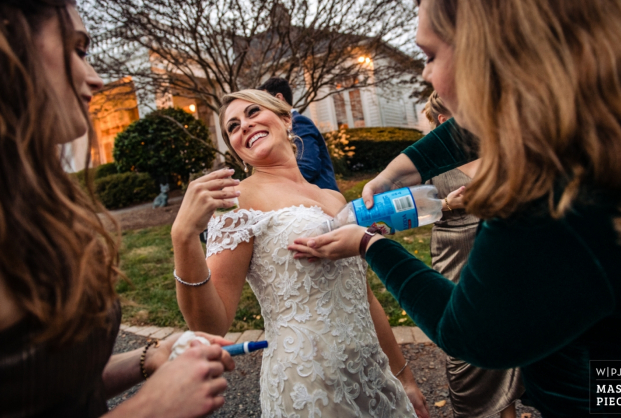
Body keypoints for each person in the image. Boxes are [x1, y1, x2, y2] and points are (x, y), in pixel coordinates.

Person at [288, 0, 621, 417]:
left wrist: (370, 246)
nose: (424, 74)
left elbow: (469, 332)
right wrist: (397, 172)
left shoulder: (549, 196)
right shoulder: (618, 128)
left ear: (492, 52)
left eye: (429, 55)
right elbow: (472, 128)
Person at [0, 0, 234, 416]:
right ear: (2, 44)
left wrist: (146, 360)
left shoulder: (22, 204)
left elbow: (40, 391)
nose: (94, 77)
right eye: (77, 49)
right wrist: (148, 410)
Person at [172, 89, 429, 417]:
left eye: (253, 113)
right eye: (233, 127)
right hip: (309, 386)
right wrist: (183, 238)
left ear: (285, 118)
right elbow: (211, 325)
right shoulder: (236, 200)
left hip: (373, 375)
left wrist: (403, 377)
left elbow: (363, 298)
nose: (244, 126)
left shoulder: (333, 198)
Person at [424, 92, 524, 418]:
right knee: (465, 343)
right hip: (454, 254)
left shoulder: (497, 153)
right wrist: (448, 204)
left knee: (503, 340)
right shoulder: (431, 160)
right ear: (445, 121)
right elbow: (409, 208)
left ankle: (507, 411)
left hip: (497, 255)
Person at [258, 77, 339, 191]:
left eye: (264, 102)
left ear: (279, 98)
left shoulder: (297, 122)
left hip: (321, 199)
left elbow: (308, 167)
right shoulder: (283, 127)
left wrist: (274, 189)